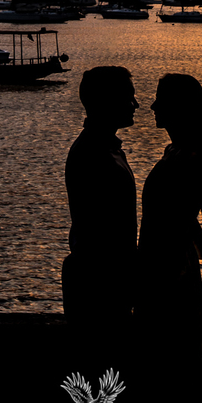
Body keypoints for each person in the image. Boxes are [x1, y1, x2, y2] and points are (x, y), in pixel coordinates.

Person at [136, 73, 202, 369]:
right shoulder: (178, 154)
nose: (153, 106)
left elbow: (169, 229)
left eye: (161, 99)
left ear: (178, 107)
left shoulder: (187, 160)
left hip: (168, 273)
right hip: (169, 267)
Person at [62, 65, 139, 354]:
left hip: (106, 283)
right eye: (128, 97)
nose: (135, 104)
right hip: (101, 288)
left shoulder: (102, 149)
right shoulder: (95, 154)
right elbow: (102, 231)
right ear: (108, 101)